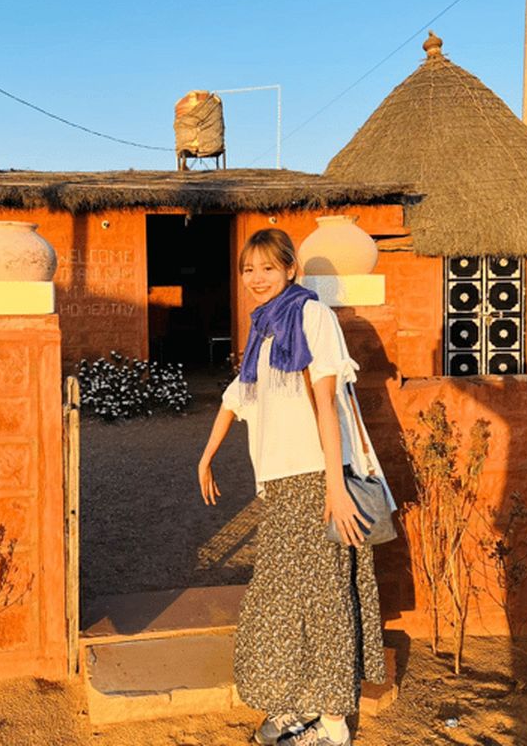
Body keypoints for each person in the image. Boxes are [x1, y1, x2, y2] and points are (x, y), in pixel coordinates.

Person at [197, 229, 394, 746]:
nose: (256, 278)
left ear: (291, 270)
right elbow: (238, 396)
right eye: (248, 269)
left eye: (268, 268)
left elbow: (327, 404)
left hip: (316, 479)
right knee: (281, 601)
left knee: (325, 598)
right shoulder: (264, 329)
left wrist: (335, 487)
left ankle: (333, 723)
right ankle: (297, 702)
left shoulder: (312, 316)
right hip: (280, 486)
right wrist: (207, 453)